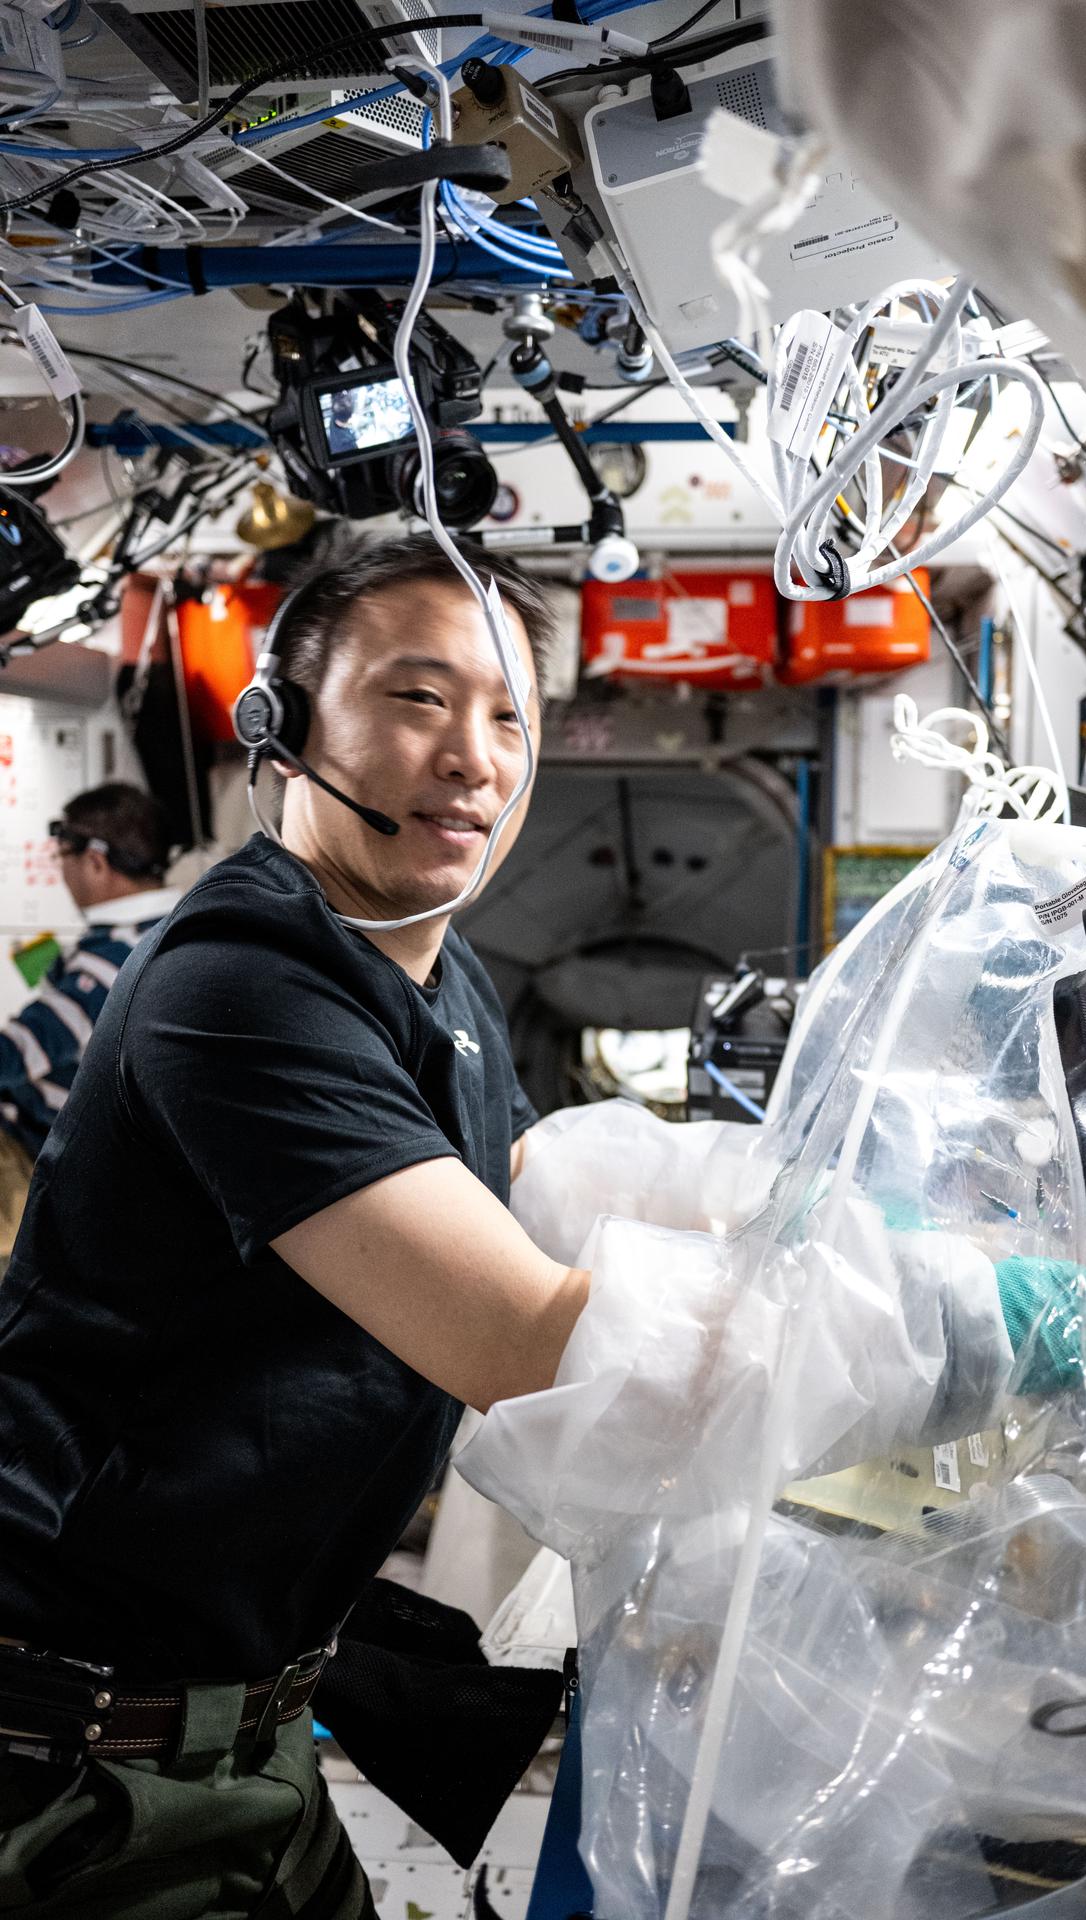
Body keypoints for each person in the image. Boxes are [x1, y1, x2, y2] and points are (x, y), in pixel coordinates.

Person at [0, 537, 589, 1918]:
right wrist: (941, 1334)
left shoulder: (451, 990)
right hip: (72, 1769)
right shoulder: (243, 984)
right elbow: (519, 1339)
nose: (475, 756)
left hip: (249, 1729)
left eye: (511, 716)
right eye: (419, 698)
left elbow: (504, 1221)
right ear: (284, 723)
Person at [0, 782, 179, 1259]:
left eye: (62, 856)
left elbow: (15, 1055)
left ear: (96, 861)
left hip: (32, 1155)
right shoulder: (166, 929)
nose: (60, 871)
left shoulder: (112, 956)